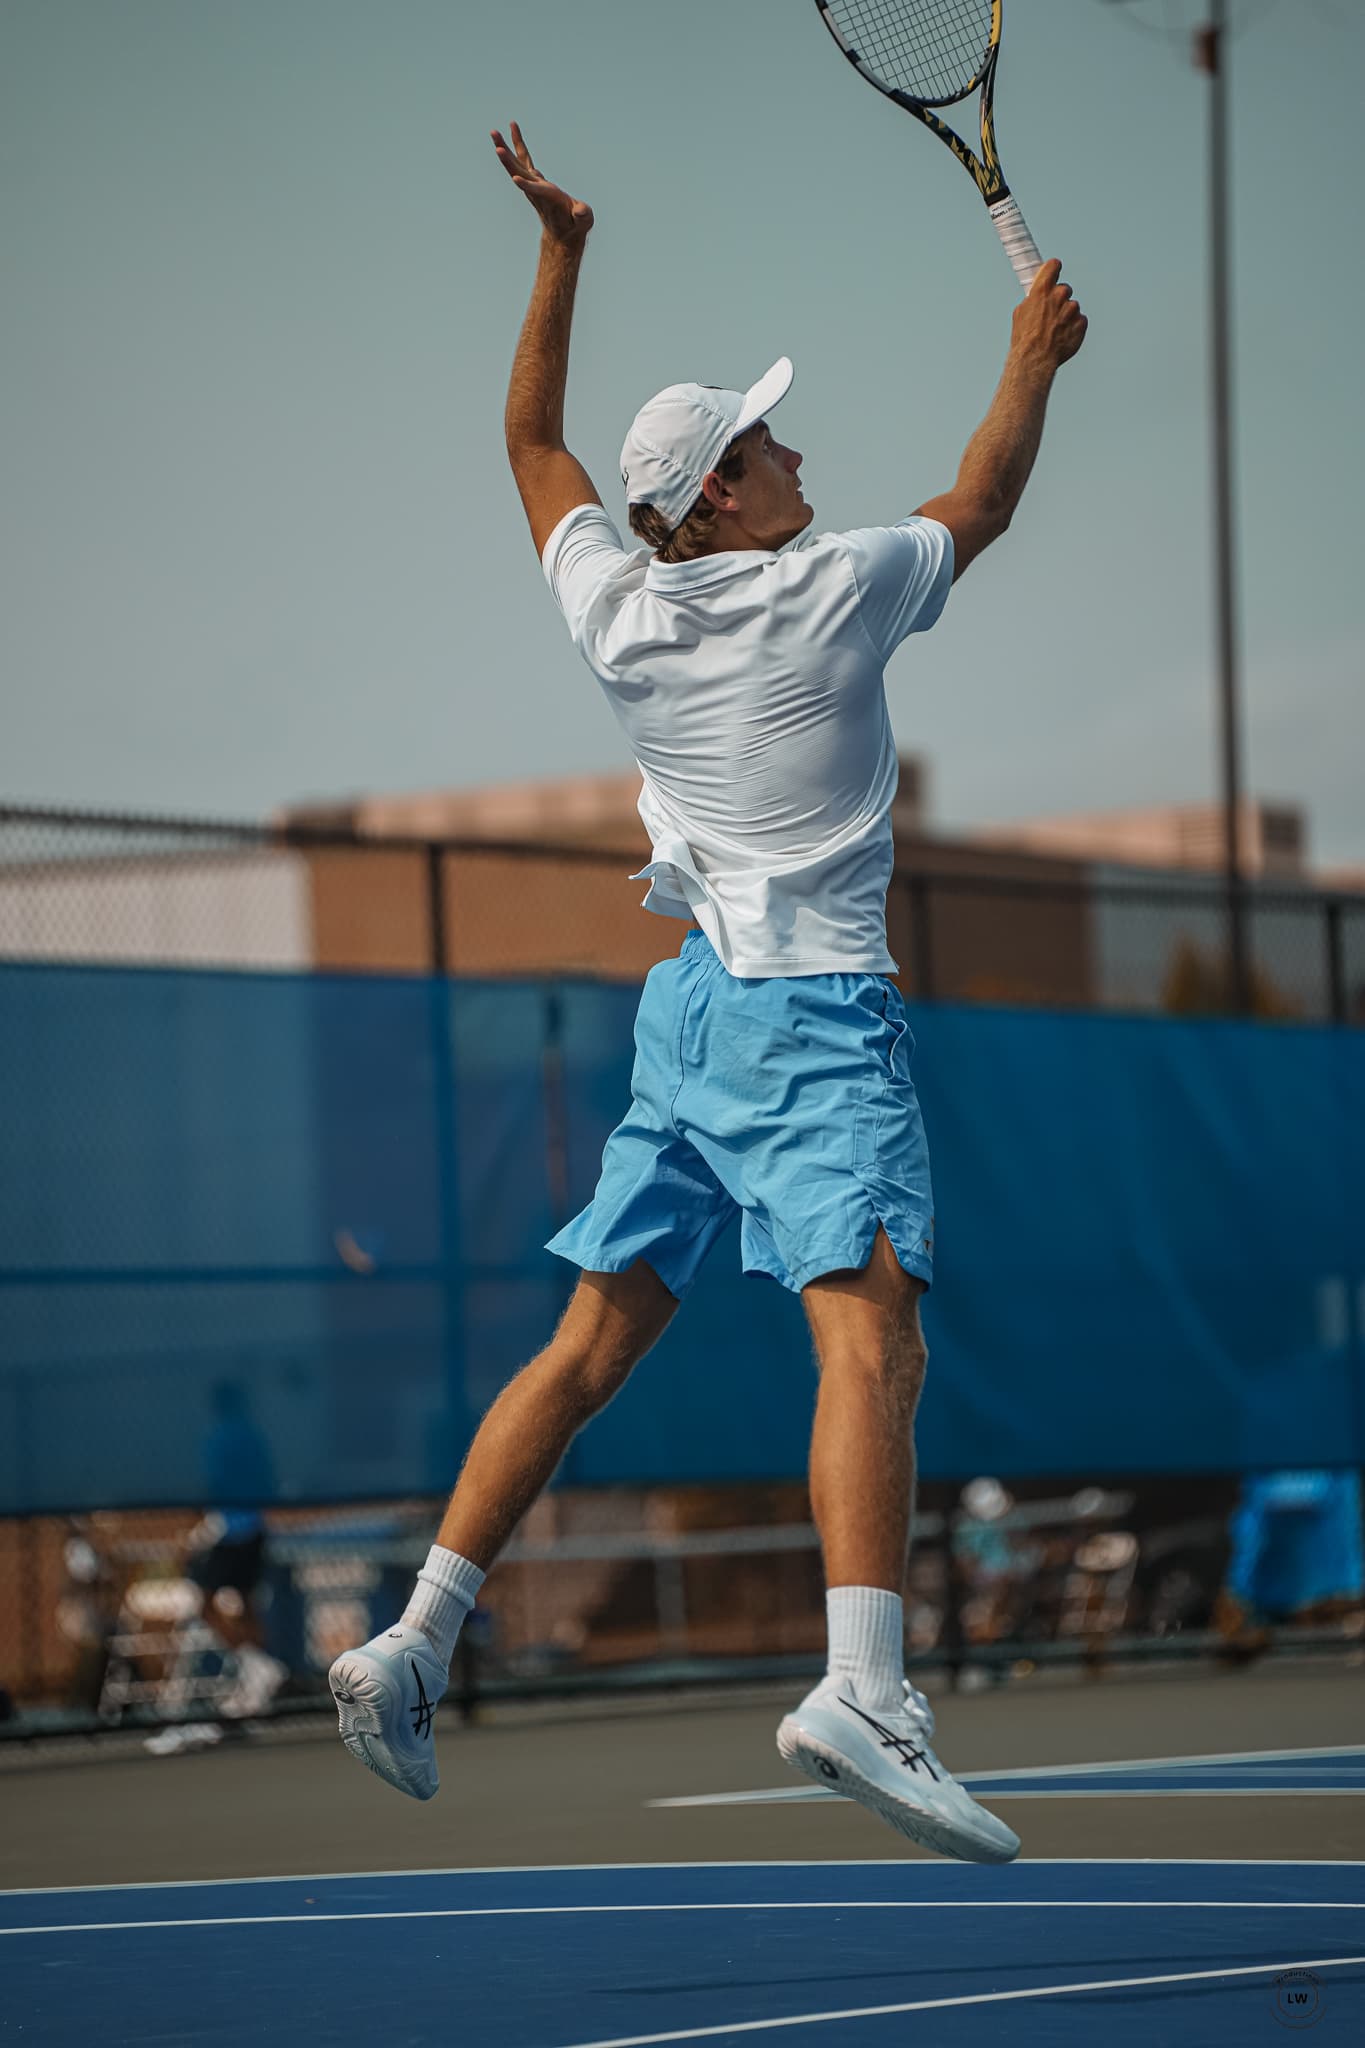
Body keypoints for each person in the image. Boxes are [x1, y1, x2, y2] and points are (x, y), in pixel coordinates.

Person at [329, 123, 1086, 1863]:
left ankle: (411, 1638)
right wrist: (1027, 350)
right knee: (872, 1329)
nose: (796, 443)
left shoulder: (619, 610)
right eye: (767, 436)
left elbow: (529, 442)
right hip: (813, 1017)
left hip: (687, 1020)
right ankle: (862, 1690)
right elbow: (984, 494)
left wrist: (559, 251)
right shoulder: (830, 591)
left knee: (591, 1341)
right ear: (726, 499)